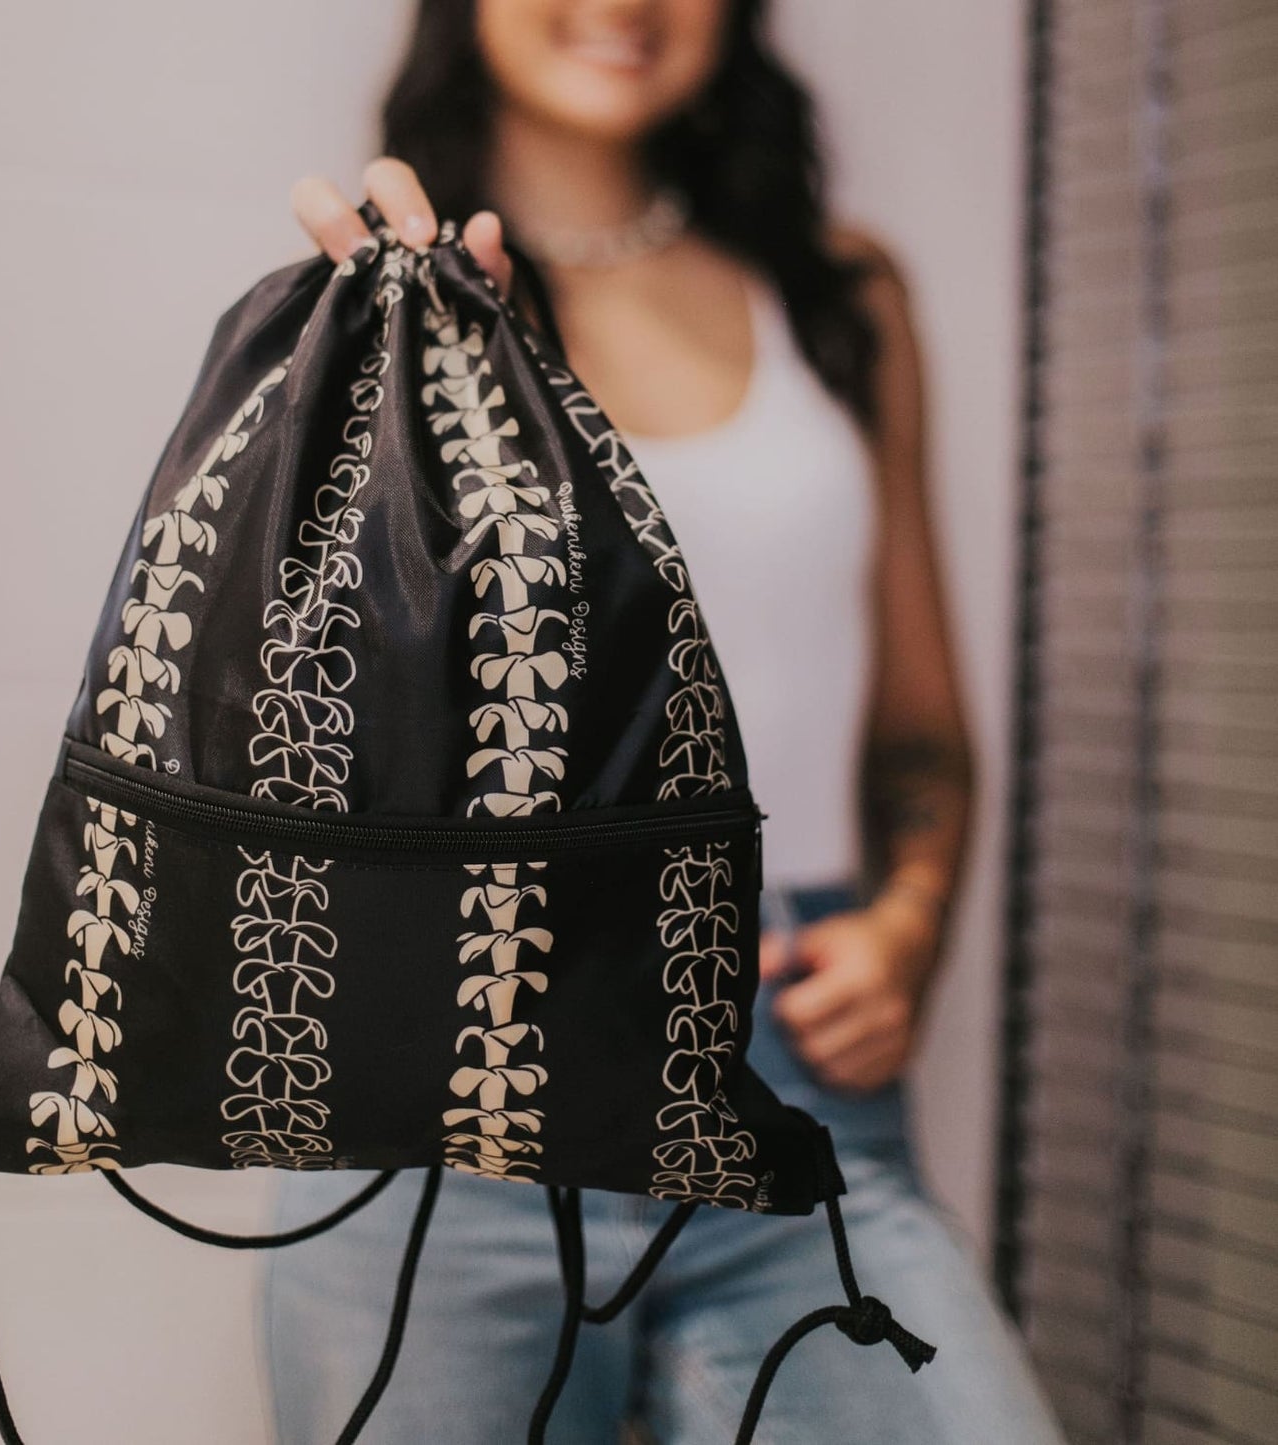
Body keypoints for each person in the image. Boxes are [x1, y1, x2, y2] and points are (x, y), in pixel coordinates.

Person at [258, 2, 1069, 1441]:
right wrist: (380, 381)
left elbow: (917, 736)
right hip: (445, 1106)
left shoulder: (839, 292)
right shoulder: (379, 304)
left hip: (790, 1088)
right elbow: (301, 747)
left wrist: (908, 921)